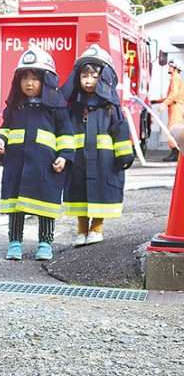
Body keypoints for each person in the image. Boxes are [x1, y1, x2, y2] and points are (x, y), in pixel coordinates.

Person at [0, 45, 74, 261]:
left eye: (35, 78)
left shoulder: (56, 108)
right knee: (16, 205)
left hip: (45, 166)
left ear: (46, 81)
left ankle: (45, 243)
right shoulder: (15, 107)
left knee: (45, 205)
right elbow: (6, 127)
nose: (29, 83)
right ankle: (15, 242)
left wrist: (64, 156)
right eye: (25, 78)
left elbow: (65, 133)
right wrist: (0, 139)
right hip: (17, 165)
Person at [60, 44, 135, 246]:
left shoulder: (110, 105)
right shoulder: (75, 105)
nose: (88, 81)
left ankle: (96, 229)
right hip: (79, 160)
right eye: (85, 76)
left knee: (100, 192)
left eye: (94, 76)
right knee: (79, 192)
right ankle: (81, 231)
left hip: (104, 161)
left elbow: (120, 129)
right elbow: (65, 129)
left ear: (104, 78)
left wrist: (125, 155)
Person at [157, 59, 184, 162]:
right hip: (175, 106)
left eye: (171, 66)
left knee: (172, 129)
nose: (169, 68)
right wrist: (157, 101)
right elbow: (171, 95)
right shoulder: (176, 79)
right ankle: (176, 152)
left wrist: (164, 104)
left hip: (175, 107)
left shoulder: (175, 79)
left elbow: (173, 94)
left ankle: (175, 152)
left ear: (176, 68)